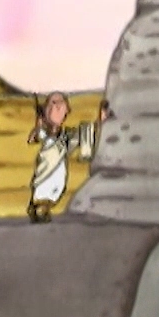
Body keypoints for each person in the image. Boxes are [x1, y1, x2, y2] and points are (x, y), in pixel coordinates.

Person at [25, 92, 111, 222]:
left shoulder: (66, 136)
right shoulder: (44, 133)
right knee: (43, 190)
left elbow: (85, 133)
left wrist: (101, 119)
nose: (57, 109)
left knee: (53, 191)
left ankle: (42, 208)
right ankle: (39, 207)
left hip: (58, 173)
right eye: (53, 105)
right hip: (46, 169)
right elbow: (34, 137)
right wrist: (39, 124)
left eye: (60, 105)